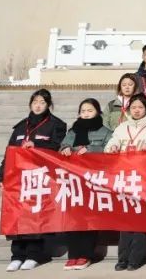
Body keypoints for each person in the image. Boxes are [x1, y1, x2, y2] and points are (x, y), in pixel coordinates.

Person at [0, 89, 67, 272]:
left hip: (41, 178)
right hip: (18, 178)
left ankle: (34, 255)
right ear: (30, 104)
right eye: (35, 102)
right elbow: (9, 152)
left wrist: (37, 145)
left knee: (36, 217)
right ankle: (17, 255)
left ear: (48, 105)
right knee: (17, 216)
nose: (38, 106)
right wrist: (1, 175)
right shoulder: (21, 126)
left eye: (42, 102)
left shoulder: (57, 124)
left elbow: (56, 146)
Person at [105, 94, 146, 271]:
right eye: (133, 107)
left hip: (145, 178)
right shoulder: (122, 127)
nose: (137, 110)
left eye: (140, 107)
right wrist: (112, 147)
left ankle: (135, 258)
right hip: (125, 177)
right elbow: (111, 143)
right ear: (128, 109)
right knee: (125, 220)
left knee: (140, 219)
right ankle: (122, 258)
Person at [58, 98, 111, 270]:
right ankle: (73, 255)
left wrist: (92, 150)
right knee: (72, 219)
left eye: (90, 110)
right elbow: (62, 146)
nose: (86, 114)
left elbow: (110, 152)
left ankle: (85, 255)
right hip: (73, 181)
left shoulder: (105, 132)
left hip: (93, 181)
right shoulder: (73, 131)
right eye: (83, 111)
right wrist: (65, 149)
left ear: (98, 112)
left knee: (89, 219)